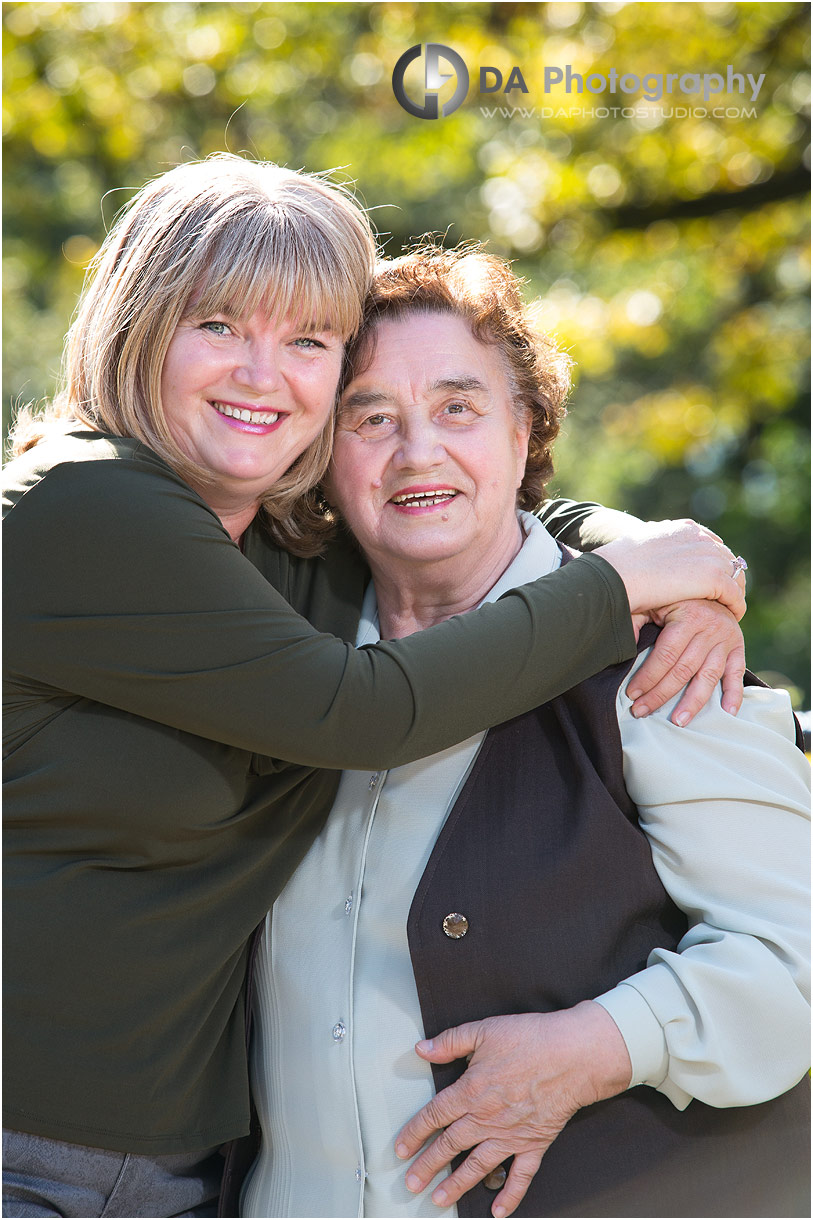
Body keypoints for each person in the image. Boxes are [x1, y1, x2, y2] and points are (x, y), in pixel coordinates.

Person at [3, 154, 747, 1219]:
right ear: (138, 324)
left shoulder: (272, 542)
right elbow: (365, 710)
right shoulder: (84, 505)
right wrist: (626, 584)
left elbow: (468, 523)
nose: (265, 374)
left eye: (308, 340)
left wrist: (675, 570)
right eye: (219, 325)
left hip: (187, 1173)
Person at [240, 247, 810, 1220]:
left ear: (525, 425)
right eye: (371, 417)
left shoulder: (663, 656)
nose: (417, 450)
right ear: (322, 454)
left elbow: (795, 956)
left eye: (459, 406)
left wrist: (591, 1046)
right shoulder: (281, 663)